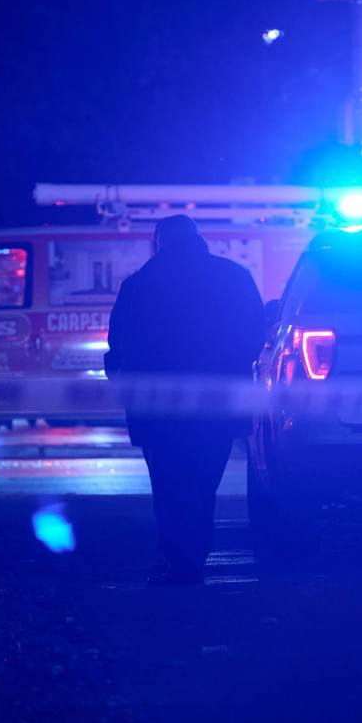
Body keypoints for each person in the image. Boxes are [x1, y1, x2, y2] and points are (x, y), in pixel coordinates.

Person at [105, 215, 264, 585]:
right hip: (218, 402)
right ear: (198, 239)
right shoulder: (234, 277)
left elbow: (120, 344)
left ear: (160, 242)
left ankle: (178, 560)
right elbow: (255, 335)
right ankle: (195, 554)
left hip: (159, 407)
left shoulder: (140, 284)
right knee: (204, 480)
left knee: (168, 482)